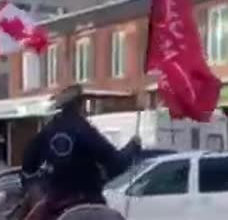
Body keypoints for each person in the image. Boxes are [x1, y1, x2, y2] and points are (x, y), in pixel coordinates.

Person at [20, 85, 142, 220]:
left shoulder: (47, 132)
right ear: (80, 104)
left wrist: (37, 191)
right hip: (90, 201)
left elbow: (27, 167)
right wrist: (133, 147)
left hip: (54, 204)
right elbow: (116, 164)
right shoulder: (85, 130)